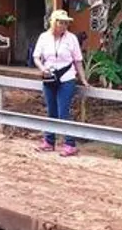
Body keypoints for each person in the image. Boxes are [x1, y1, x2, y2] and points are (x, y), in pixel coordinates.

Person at [32, 9, 88, 157]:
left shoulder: (72, 39)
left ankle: (70, 144)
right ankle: (49, 141)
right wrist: (42, 68)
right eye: (60, 22)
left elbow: (78, 60)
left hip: (67, 78)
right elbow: (36, 56)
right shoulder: (44, 37)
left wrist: (83, 79)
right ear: (53, 23)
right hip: (49, 77)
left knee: (64, 111)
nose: (63, 25)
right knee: (51, 110)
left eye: (65, 23)